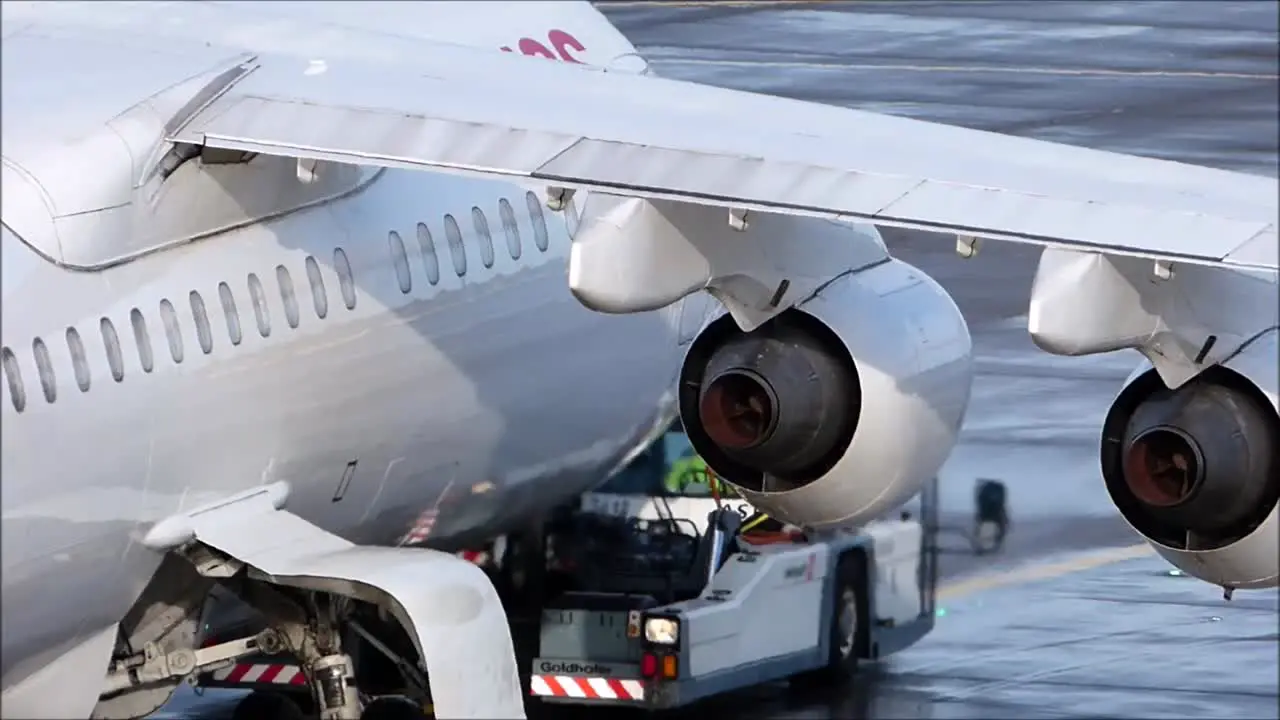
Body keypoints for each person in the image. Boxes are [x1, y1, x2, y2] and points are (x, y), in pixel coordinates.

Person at [973, 479, 1009, 553]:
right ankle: (991, 542)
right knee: (997, 524)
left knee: (985, 524)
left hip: (987, 512)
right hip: (992, 512)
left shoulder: (984, 493)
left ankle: (985, 542)